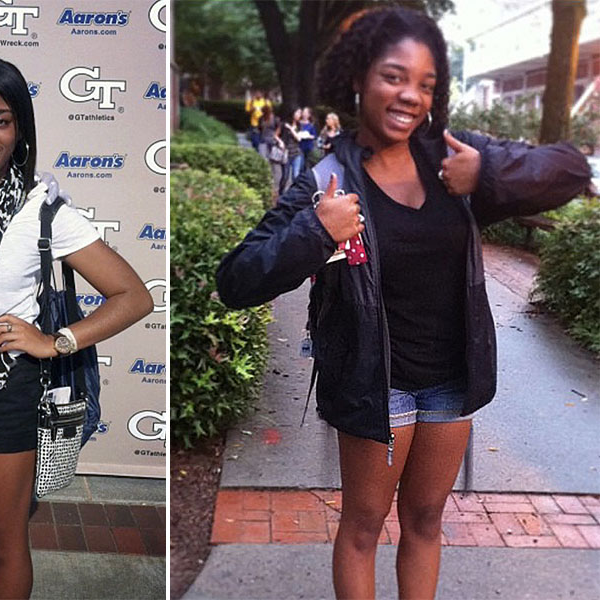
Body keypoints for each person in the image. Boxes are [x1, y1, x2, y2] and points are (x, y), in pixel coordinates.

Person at [216, 7, 590, 600]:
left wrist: (487, 171)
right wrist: (318, 231)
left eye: (426, 84)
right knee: (363, 528)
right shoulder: (328, 179)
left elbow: (571, 170)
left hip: (452, 379)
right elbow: (236, 280)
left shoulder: (453, 159)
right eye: (395, 76)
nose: (410, 95)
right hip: (374, 384)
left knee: (425, 521)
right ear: (361, 78)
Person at [0, 57, 153, 600]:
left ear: (20, 129)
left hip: (4, 387)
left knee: (2, 537)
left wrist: (55, 341)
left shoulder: (43, 209)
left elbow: (134, 297)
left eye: (1, 120)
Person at [283, 106, 318, 178]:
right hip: (299, 147)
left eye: (305, 112)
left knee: (304, 167)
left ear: (309, 115)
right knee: (298, 169)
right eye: (303, 112)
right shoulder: (298, 124)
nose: (303, 114)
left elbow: (314, 136)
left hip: (307, 147)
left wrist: (308, 136)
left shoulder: (311, 125)